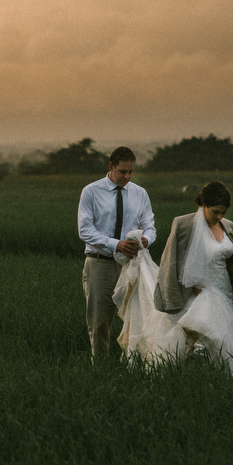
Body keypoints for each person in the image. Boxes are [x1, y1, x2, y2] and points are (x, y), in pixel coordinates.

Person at [145, 181, 233, 375]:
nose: (220, 216)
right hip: (196, 291)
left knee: (222, 336)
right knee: (200, 336)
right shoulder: (183, 224)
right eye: (215, 212)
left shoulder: (228, 226)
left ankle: (215, 379)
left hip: (224, 291)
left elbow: (227, 261)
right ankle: (185, 377)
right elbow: (170, 262)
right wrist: (181, 289)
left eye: (224, 212)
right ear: (203, 204)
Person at [77, 146, 156, 362]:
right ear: (111, 167)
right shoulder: (91, 191)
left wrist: (147, 239)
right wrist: (115, 244)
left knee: (137, 317)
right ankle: (100, 366)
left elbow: (149, 225)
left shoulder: (139, 193)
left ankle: (134, 364)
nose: (127, 176)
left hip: (131, 264)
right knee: (99, 321)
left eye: (131, 172)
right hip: (100, 264)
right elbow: (84, 230)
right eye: (122, 172)